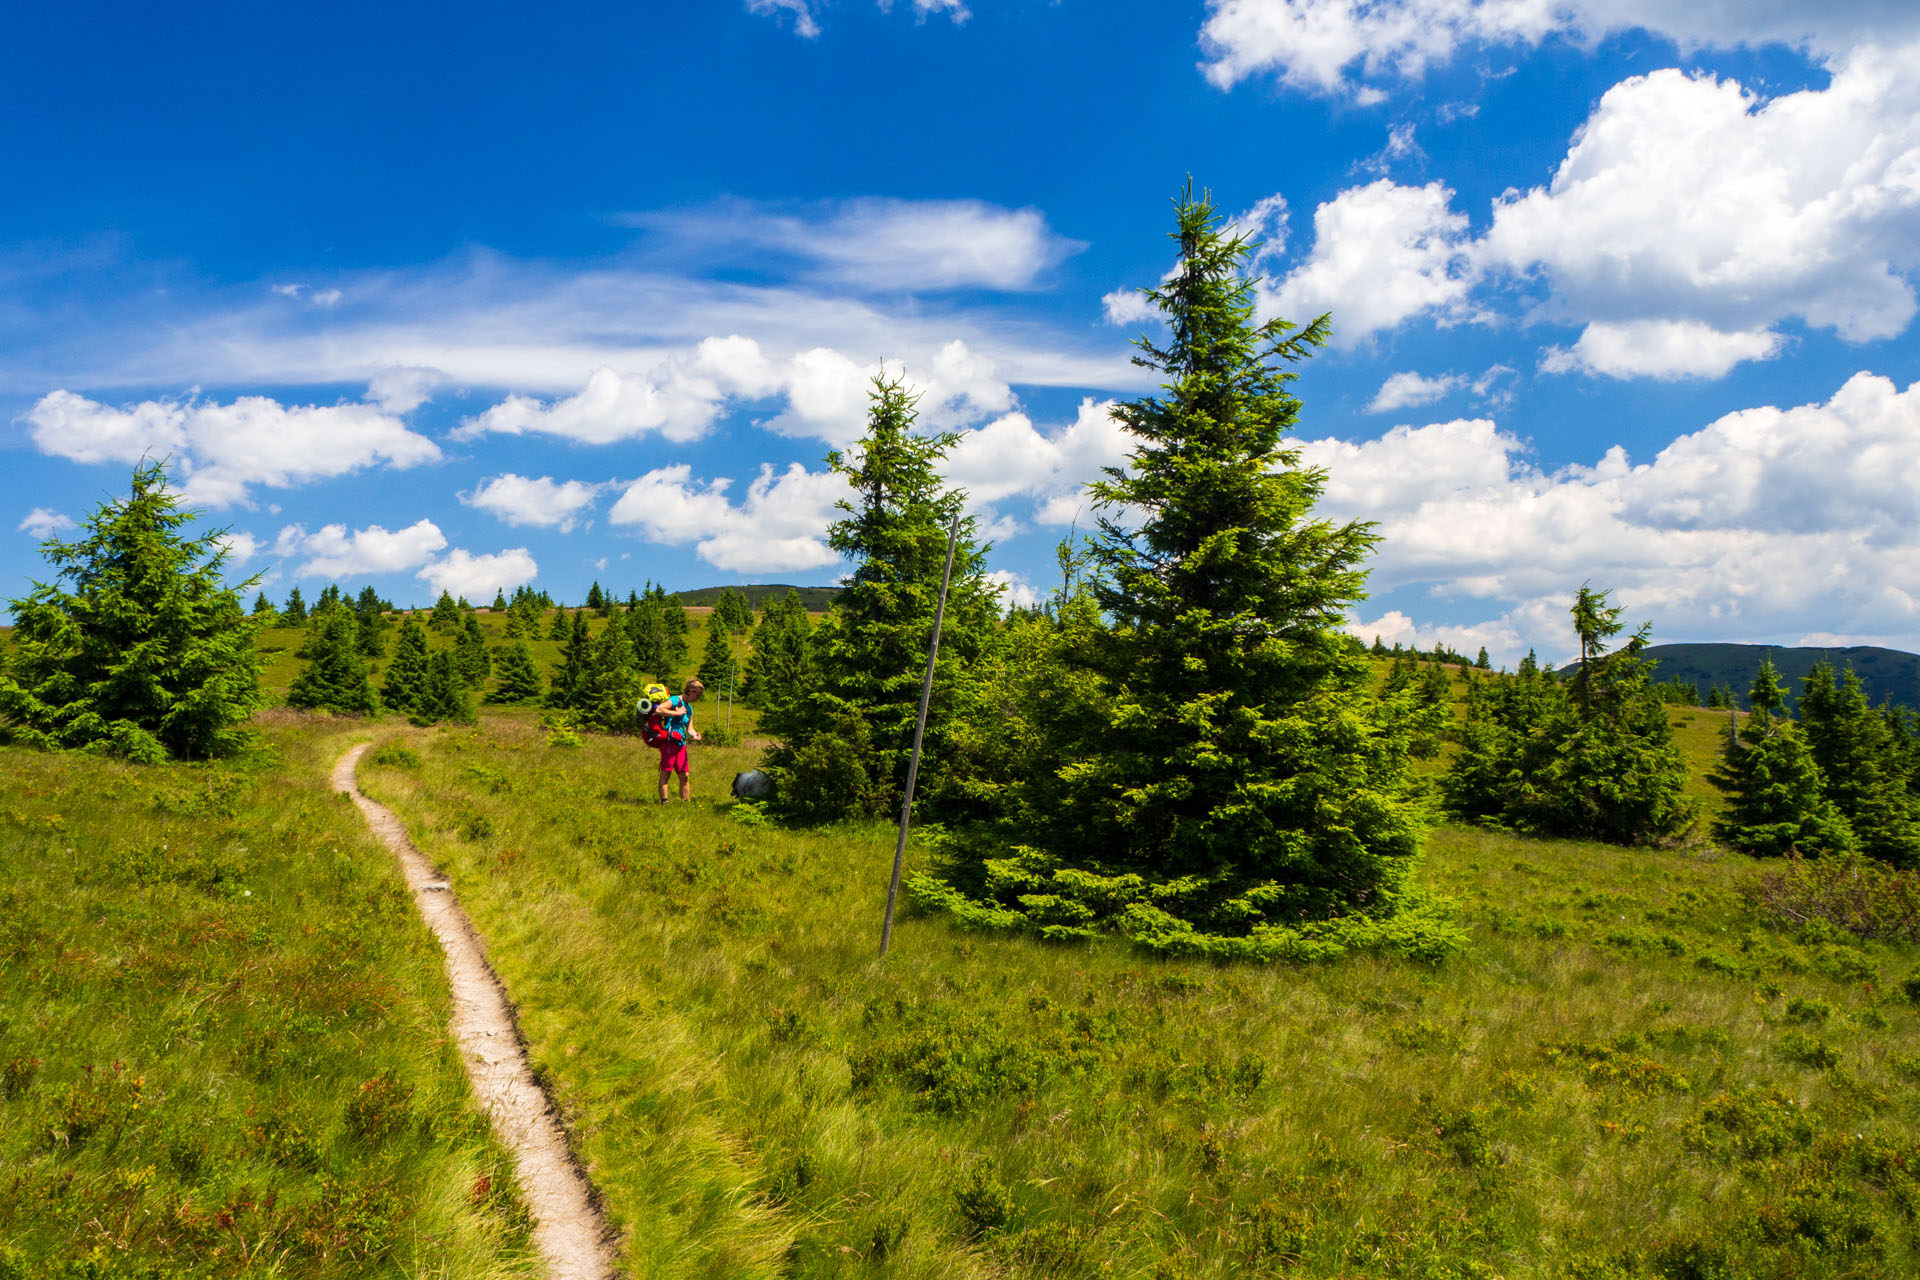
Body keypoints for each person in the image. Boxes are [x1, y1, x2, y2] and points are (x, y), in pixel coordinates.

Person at [648, 678, 704, 803]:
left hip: (681, 744)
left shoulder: (689, 709)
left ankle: (685, 803)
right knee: (665, 774)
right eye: (698, 694)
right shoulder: (675, 700)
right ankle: (665, 802)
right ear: (691, 691)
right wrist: (676, 713)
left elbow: (689, 728)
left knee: (685, 776)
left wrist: (694, 735)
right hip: (669, 742)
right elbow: (659, 710)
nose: (698, 698)